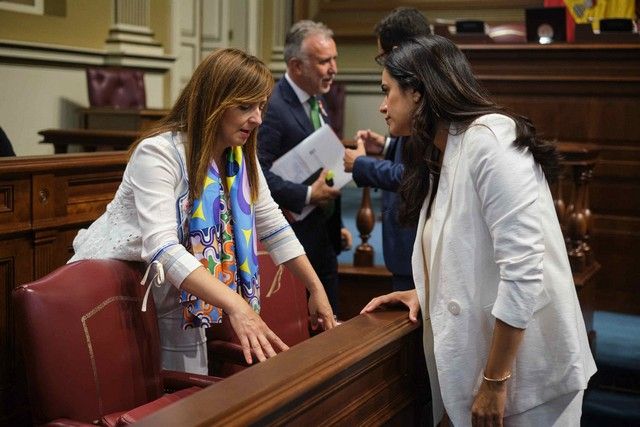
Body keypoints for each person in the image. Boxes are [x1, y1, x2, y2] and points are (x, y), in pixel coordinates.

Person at [361, 36, 596, 426]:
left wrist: (495, 381)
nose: (382, 106)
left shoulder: (491, 137)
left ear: (417, 91)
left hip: (528, 376)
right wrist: (427, 291)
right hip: (487, 362)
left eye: (388, 92)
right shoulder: (445, 149)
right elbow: (466, 251)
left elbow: (523, 271)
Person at [69, 48, 337, 375]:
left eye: (261, 106)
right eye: (244, 107)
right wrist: (235, 303)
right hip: (120, 289)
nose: (258, 118)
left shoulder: (239, 155)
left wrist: (316, 289)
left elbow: (273, 226)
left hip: (176, 283)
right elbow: (163, 248)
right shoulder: (158, 153)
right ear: (213, 103)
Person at [258, 20, 352, 313]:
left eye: (334, 59)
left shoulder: (317, 101)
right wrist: (309, 195)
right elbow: (258, 175)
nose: (333, 68)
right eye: (324, 61)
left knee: (331, 321)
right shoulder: (272, 106)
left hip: (323, 232)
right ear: (297, 66)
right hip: (293, 239)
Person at [343, 7, 431, 291]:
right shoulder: (429, 87)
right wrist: (388, 145)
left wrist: (361, 164)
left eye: (382, 56)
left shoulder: (428, 98)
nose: (383, 106)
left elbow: (416, 176)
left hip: (418, 248)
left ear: (396, 51)